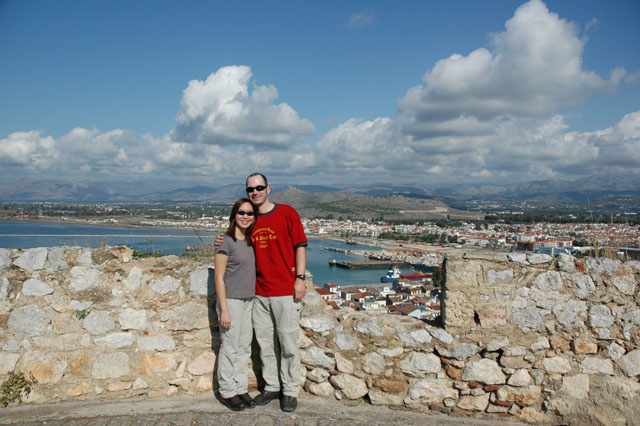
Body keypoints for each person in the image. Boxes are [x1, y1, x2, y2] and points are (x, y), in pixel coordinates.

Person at [216, 173, 307, 412]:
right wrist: (222, 239)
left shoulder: (287, 213)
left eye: (259, 187)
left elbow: (300, 246)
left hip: (285, 291)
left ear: (268, 189)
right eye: (250, 189)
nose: (254, 192)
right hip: (258, 293)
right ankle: (272, 386)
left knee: (287, 343)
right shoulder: (252, 220)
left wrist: (300, 278)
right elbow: (236, 241)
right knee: (265, 344)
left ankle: (289, 390)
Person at [214, 198, 258, 411]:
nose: (245, 216)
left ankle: (241, 387)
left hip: (248, 300)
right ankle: (227, 391)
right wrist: (224, 309)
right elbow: (219, 278)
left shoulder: (251, 241)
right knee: (230, 348)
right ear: (234, 216)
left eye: (249, 213)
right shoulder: (226, 241)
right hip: (231, 301)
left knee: (243, 348)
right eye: (241, 212)